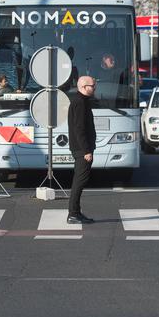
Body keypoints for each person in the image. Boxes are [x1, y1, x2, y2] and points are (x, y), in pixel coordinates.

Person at [66, 75, 97, 225]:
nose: (94, 88)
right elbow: (79, 129)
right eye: (92, 86)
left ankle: (76, 212)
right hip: (81, 149)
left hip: (81, 148)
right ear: (83, 87)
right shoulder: (79, 103)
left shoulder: (82, 102)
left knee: (80, 180)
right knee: (79, 181)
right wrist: (86, 150)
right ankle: (73, 214)